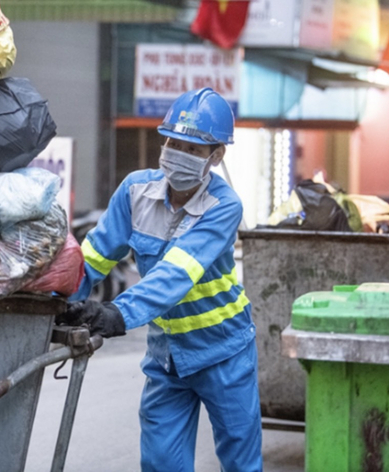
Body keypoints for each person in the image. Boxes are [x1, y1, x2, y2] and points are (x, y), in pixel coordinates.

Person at [57, 88, 263, 472]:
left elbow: (177, 273)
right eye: (172, 142)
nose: (176, 153)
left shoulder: (224, 206)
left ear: (216, 157)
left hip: (224, 352)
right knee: (161, 463)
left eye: (193, 149)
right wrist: (55, 301)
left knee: (240, 463)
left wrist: (117, 314)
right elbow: (93, 257)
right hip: (167, 356)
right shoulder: (135, 191)